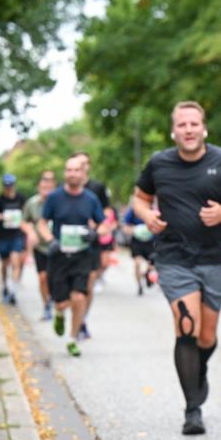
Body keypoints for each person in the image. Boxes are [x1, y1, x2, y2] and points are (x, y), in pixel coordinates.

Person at [132, 100, 221, 436]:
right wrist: (147, 217)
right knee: (187, 328)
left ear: (204, 128)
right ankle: (192, 409)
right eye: (182, 124)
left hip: (215, 258)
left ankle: (197, 372)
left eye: (193, 124)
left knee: (207, 335)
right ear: (174, 130)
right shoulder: (159, 163)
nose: (188, 129)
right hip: (174, 258)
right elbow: (139, 198)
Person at [38, 156, 108, 357]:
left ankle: (72, 338)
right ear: (64, 173)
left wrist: (95, 233)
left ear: (83, 173)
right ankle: (59, 313)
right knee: (61, 302)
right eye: (69, 170)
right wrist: (50, 240)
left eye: (77, 170)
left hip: (82, 255)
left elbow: (104, 224)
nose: (73, 174)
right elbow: (42, 223)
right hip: (59, 255)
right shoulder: (54, 198)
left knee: (79, 296)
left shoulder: (90, 199)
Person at [75, 151, 115, 335]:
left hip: (92, 241)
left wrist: (101, 225)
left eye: (85, 163)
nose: (82, 167)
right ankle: (72, 313)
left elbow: (106, 211)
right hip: (70, 242)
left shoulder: (97, 187)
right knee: (73, 289)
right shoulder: (65, 188)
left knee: (89, 281)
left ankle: (82, 320)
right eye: (78, 163)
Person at [0, 174, 27, 305]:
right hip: (3, 236)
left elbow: (27, 213)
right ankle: (5, 286)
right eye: (6, 185)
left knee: (16, 262)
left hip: (17, 235)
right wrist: (3, 216)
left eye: (10, 185)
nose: (8, 188)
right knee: (5, 264)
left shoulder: (21, 198)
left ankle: (13, 291)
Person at [23, 170, 57, 320]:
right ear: (39, 187)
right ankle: (46, 305)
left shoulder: (60, 201)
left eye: (50, 185)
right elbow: (24, 221)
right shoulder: (32, 203)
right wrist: (30, 232)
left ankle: (56, 299)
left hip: (58, 246)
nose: (47, 189)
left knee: (55, 278)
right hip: (40, 247)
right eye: (44, 186)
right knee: (43, 277)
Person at [122, 200, 155, 296]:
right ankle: (139, 285)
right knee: (137, 262)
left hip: (149, 242)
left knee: (152, 265)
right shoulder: (132, 212)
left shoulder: (152, 211)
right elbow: (125, 227)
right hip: (137, 241)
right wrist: (136, 230)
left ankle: (147, 275)